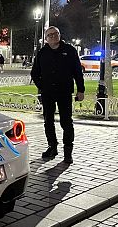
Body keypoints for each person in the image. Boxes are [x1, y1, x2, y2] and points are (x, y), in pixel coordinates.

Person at [31, 26, 85, 164]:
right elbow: (35, 73)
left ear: (59, 35)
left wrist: (81, 90)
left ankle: (68, 151)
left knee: (66, 121)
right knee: (48, 121)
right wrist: (41, 86)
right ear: (46, 39)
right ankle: (52, 146)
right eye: (50, 35)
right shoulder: (42, 53)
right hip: (48, 92)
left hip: (64, 91)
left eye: (55, 34)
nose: (53, 36)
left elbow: (78, 72)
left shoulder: (70, 51)